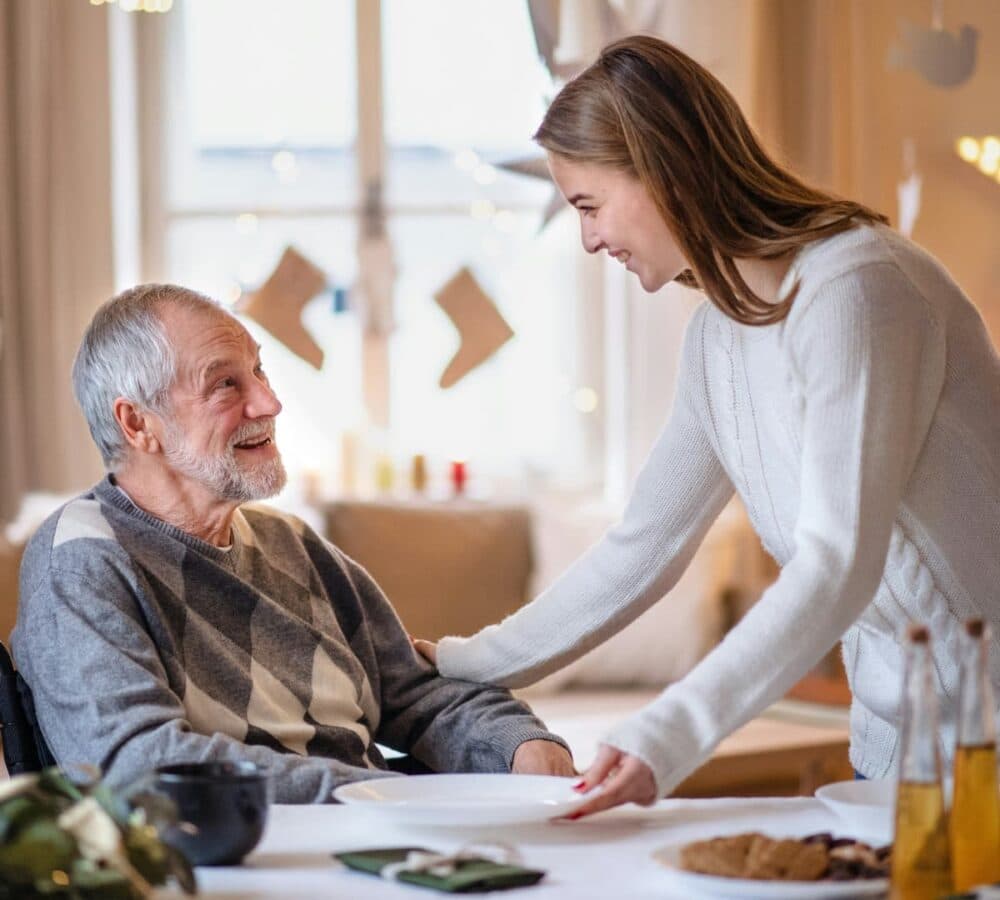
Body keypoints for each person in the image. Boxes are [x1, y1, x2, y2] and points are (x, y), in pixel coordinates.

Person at [415, 34, 1000, 817]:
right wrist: (461, 663)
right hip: (901, 752)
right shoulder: (719, 339)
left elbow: (838, 564)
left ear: (663, 170)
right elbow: (642, 546)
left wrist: (669, 731)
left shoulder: (860, 292)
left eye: (589, 204)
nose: (588, 239)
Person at [12, 284, 573, 802]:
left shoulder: (290, 542)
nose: (268, 403)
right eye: (225, 384)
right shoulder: (82, 559)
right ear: (138, 424)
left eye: (259, 371)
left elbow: (414, 692)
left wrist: (520, 744)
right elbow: (141, 768)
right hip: (243, 861)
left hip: (368, 836)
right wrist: (379, 795)